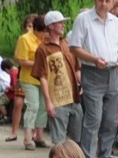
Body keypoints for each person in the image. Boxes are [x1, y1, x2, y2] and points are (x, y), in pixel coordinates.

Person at [68, 0, 118, 158]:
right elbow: (74, 47)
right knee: (93, 118)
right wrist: (94, 59)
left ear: (113, 3)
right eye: (100, 0)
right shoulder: (84, 19)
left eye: (107, 1)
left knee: (111, 120)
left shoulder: (115, 22)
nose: (103, 4)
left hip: (113, 72)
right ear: (95, 0)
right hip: (93, 71)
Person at [32, 11, 83, 145]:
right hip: (58, 100)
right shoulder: (43, 49)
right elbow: (42, 77)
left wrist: (82, 85)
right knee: (59, 141)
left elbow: (76, 68)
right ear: (51, 26)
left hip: (74, 98)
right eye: (60, 23)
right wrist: (48, 102)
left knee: (77, 140)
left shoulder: (66, 44)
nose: (63, 25)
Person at [10, 14, 48, 149]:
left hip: (43, 79)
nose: (45, 34)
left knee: (43, 107)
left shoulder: (46, 39)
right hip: (29, 78)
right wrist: (40, 63)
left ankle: (39, 136)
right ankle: (27, 138)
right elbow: (22, 61)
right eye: (44, 31)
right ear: (37, 29)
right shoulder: (25, 39)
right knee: (33, 106)